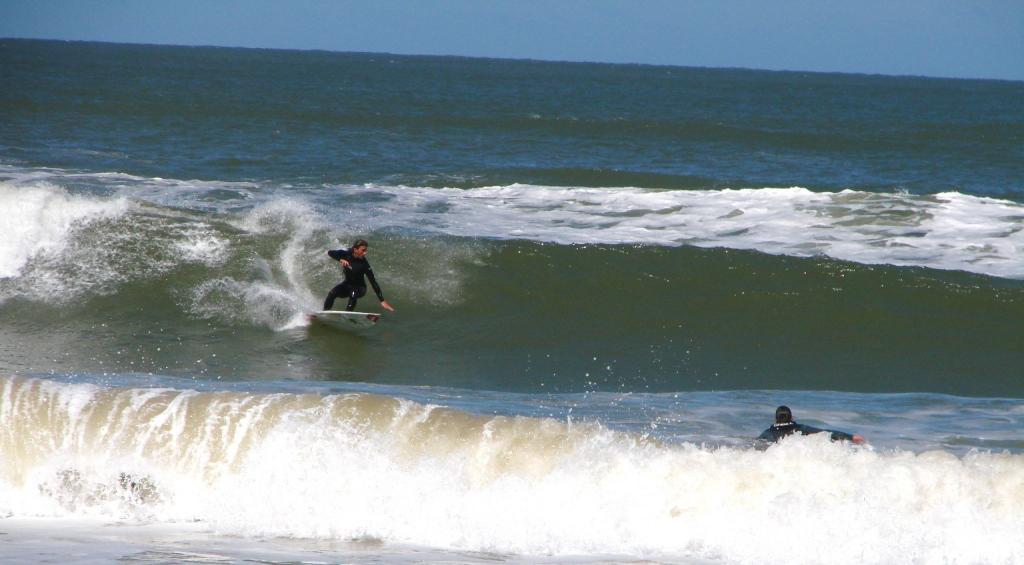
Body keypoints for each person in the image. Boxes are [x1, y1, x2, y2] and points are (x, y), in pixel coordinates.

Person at [322, 239, 395, 313]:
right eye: (363, 250)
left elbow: (373, 282)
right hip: (347, 285)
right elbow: (330, 252)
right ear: (355, 250)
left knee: (353, 294)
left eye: (366, 250)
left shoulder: (364, 264)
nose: (365, 253)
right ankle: (325, 313)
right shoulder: (347, 253)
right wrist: (340, 259)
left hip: (360, 288)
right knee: (332, 293)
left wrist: (382, 300)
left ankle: (347, 314)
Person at [758, 405, 865, 444]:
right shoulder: (800, 429)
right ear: (791, 417)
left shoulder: (767, 433)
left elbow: (756, 443)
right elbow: (825, 433)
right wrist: (850, 437)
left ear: (775, 419)